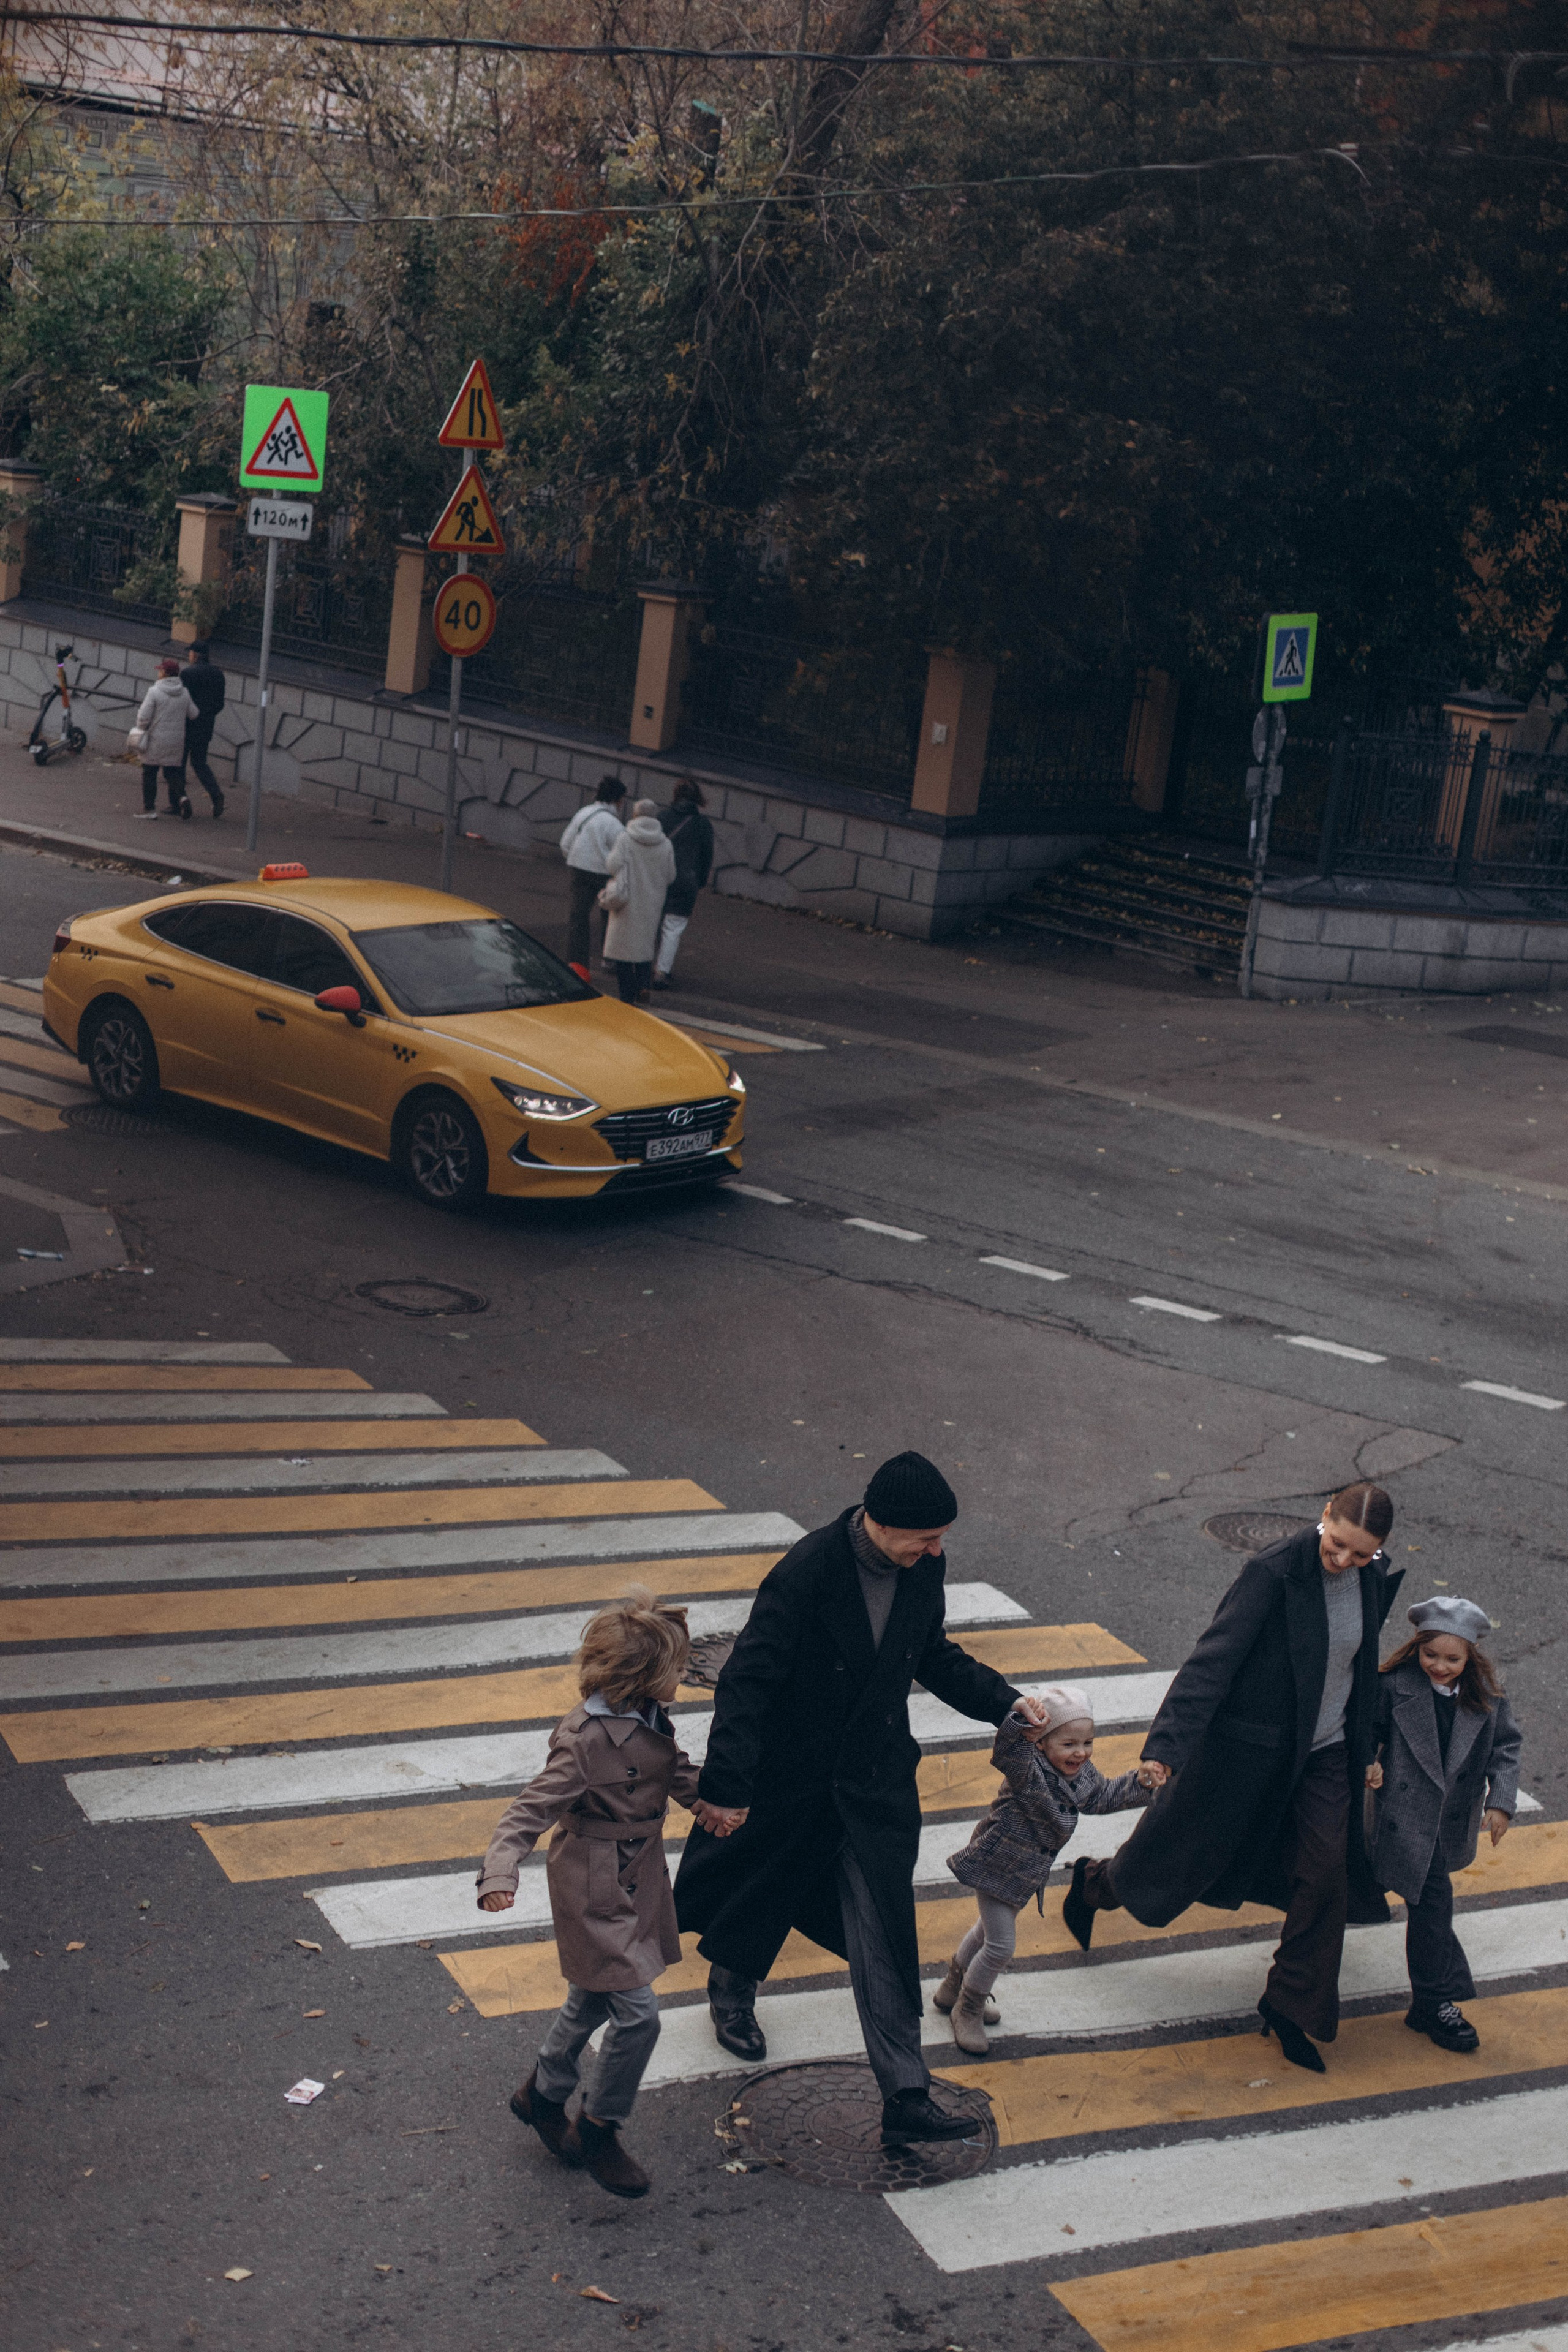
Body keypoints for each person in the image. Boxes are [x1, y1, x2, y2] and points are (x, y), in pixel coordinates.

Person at [673, 1450, 1049, 2149]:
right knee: (765, 1890)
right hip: (795, 1779)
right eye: (925, 1538)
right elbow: (746, 1683)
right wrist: (725, 1787)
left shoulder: (921, 1566)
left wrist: (1004, 1702)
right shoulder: (806, 1573)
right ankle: (732, 1984)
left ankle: (906, 2093)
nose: (937, 1551)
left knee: (881, 1930)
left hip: (872, 1784)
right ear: (879, 1523)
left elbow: (929, 1654)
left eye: (939, 1539)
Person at [1064, 1482, 1404, 2076]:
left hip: (1326, 1752)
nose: (1346, 1562)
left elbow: (1360, 1668)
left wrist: (1371, 1743)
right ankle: (1095, 1885)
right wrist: (1166, 1749)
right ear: (1324, 1516)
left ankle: (1289, 2005)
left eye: (1362, 1554)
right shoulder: (1272, 1573)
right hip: (1250, 1754)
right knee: (1179, 1854)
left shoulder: (1370, 1575)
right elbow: (1211, 1663)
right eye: (1340, 1547)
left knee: (1327, 1874)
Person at [474, 1589, 735, 2199]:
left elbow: (669, 1772)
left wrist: (709, 1804)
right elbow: (526, 1813)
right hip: (593, 1885)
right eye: (677, 1667)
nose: (686, 1676)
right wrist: (499, 1876)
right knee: (638, 2015)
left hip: (635, 1874)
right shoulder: (586, 1739)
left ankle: (540, 2093)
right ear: (644, 1675)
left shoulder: (647, 1717)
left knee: (592, 2001)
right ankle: (600, 2126)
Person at [938, 1684, 1157, 2054]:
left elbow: (1101, 1797)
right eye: (1069, 1744)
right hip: (998, 1864)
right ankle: (968, 2009)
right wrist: (1021, 1728)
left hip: (1026, 1872)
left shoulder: (1083, 1775)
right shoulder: (1027, 1767)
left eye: (1088, 1742)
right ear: (1041, 1742)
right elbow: (1009, 1751)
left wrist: (1141, 1781)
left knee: (984, 1931)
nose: (1081, 1753)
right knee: (1001, 1945)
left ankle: (951, 1988)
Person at [1366, 1594, 1521, 2054]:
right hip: (1393, 1818)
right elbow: (1366, 1732)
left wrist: (1502, 1803)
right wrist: (1368, 1763)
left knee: (1431, 1906)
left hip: (1439, 1825)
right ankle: (1434, 2002)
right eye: (1430, 1654)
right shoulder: (1394, 1687)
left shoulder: (1487, 1698)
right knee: (1422, 1903)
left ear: (1471, 1656)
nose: (1439, 1666)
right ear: (1416, 1647)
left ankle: (1432, 2002)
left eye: (1452, 1658)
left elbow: (1506, 1750)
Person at [601, 799, 676, 1006]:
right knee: (644, 949)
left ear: (635, 815)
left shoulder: (625, 839)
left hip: (627, 902)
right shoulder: (666, 843)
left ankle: (627, 995)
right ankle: (643, 985)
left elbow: (613, 865)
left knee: (623, 951)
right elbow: (671, 875)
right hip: (652, 904)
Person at [559, 776, 627, 981]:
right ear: (617, 800)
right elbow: (621, 856)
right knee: (611, 916)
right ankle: (609, 958)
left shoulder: (584, 814)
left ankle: (577, 963)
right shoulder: (615, 825)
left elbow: (565, 843)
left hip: (579, 870)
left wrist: (575, 858)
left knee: (578, 917)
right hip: (605, 876)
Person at [652, 777, 715, 990]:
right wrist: (700, 881)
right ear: (698, 799)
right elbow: (707, 856)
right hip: (687, 881)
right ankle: (662, 972)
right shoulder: (703, 825)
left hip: (659, 877)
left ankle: (641, 965)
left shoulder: (663, 818)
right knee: (673, 928)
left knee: (651, 922)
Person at [130, 658, 198, 820]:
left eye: (160, 670)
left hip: (155, 739)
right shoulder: (184, 692)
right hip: (176, 740)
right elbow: (194, 714)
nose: (158, 673)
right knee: (172, 773)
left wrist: (142, 727)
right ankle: (182, 798)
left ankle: (149, 809)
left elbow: (143, 718)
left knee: (149, 773)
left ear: (166, 673)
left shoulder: (154, 691)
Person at [178, 643, 227, 818]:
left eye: (190, 653)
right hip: (206, 725)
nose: (189, 656)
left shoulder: (187, 673)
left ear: (196, 655)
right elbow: (219, 704)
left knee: (180, 762)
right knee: (199, 762)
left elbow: (182, 700)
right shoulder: (218, 674)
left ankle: (182, 799)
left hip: (187, 725)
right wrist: (207, 715)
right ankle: (216, 794)